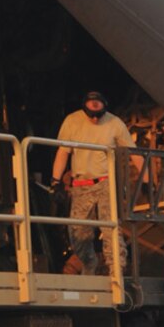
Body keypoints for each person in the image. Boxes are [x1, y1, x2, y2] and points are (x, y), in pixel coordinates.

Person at [51, 88, 136, 274]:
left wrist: (148, 181)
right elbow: (63, 152)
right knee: (78, 232)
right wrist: (55, 181)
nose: (96, 120)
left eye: (99, 116)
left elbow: (133, 152)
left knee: (111, 228)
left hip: (106, 182)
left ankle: (117, 270)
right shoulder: (72, 121)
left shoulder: (115, 123)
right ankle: (88, 265)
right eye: (92, 116)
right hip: (81, 184)